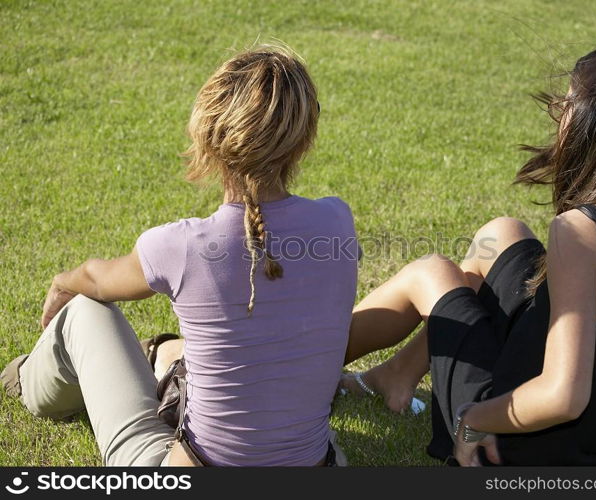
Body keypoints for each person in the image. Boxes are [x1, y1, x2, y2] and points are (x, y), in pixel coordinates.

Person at [340, 40, 596, 466]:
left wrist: (475, 417)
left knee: (430, 273)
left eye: (565, 106)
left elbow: (563, 396)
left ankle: (291, 360)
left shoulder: (583, 232)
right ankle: (397, 374)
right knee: (501, 234)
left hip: (514, 446)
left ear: (590, 119)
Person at [1, 44, 359, 466]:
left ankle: (22, 378)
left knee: (85, 312)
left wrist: (63, 282)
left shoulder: (180, 246)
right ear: (304, 140)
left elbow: (97, 282)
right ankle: (162, 357)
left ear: (206, 135)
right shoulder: (337, 222)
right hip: (320, 466)